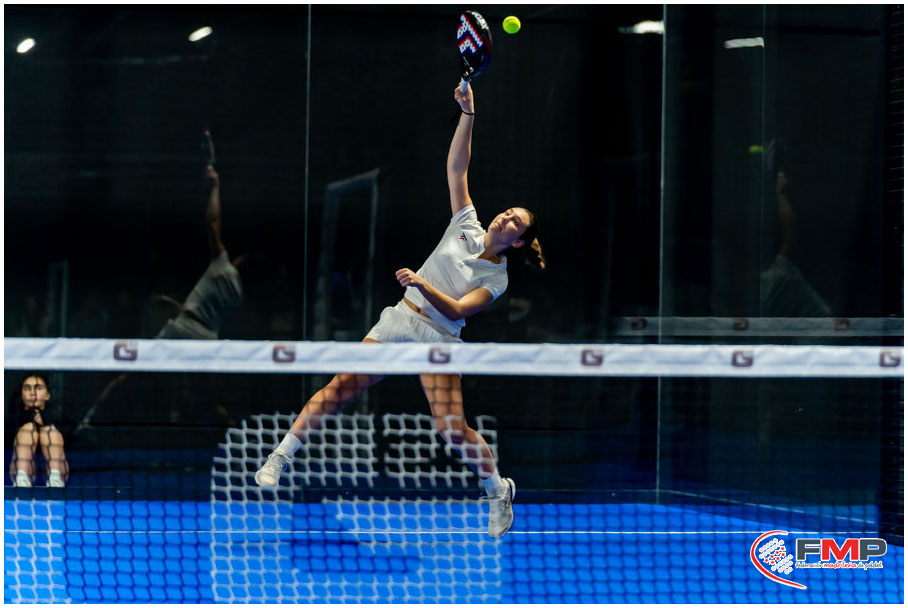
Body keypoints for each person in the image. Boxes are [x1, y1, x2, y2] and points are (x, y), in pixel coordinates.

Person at [255, 84, 546, 539]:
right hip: (400, 319)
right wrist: (468, 113)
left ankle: (497, 489)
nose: (504, 218)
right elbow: (457, 167)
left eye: (515, 222)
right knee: (341, 387)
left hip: (440, 339)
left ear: (519, 241)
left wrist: (422, 282)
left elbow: (457, 307)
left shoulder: (497, 279)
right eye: (507, 212)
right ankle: (281, 455)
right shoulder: (466, 222)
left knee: (452, 429)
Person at [10, 372, 69, 487]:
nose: (32, 393)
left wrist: (42, 421)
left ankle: (55, 479)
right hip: (24, 468)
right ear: (22, 394)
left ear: (48, 395)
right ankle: (22, 479)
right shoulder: (14, 417)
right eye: (27, 388)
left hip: (56, 468)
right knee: (29, 429)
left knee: (49, 431)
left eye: (38, 388)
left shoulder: (58, 417)